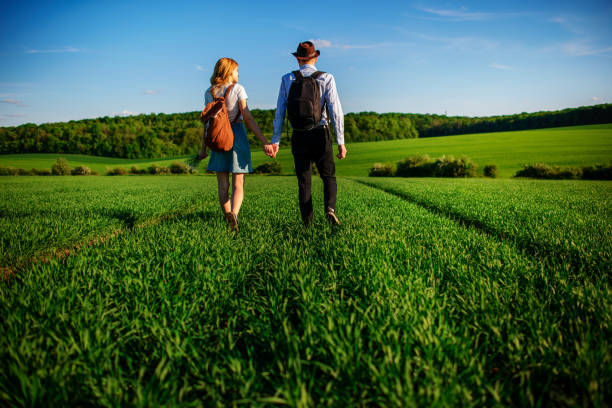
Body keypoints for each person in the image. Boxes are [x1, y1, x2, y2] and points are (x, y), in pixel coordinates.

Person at [271, 41, 347, 226]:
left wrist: (276, 140)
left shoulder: (287, 79)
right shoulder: (326, 78)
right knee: (328, 176)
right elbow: (335, 110)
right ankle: (330, 209)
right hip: (320, 133)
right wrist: (341, 141)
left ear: (298, 59)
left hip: (299, 135)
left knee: (304, 181)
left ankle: (308, 223)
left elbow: (280, 111)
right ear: (316, 57)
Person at [198, 57, 275, 231]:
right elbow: (247, 117)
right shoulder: (238, 89)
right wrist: (264, 141)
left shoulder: (209, 92)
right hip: (236, 136)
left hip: (217, 138)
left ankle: (227, 216)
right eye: (236, 71)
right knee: (238, 183)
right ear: (229, 71)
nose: (238, 74)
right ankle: (234, 213)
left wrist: (203, 148)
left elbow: (207, 122)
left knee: (222, 184)